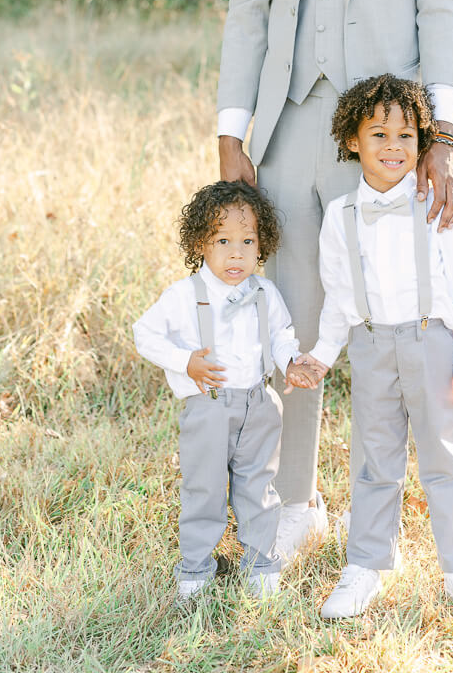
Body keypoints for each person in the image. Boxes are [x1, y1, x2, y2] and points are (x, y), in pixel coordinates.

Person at [217, 0, 453, 559]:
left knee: (396, 318)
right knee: (287, 311)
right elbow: (246, 10)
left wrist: (443, 134)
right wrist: (231, 132)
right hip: (290, 123)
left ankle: (391, 518)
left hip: (390, 140)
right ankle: (293, 503)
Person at [287, 74, 453, 620]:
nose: (392, 146)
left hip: (433, 343)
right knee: (375, 462)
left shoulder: (437, 203)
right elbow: (338, 300)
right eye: (378, 133)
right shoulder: (340, 217)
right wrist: (321, 355)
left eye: (406, 135)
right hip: (371, 347)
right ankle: (365, 568)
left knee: (444, 462)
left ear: (422, 143)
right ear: (352, 140)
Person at [132, 181, 315, 601]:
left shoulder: (265, 293)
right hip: (209, 407)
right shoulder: (185, 296)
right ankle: (195, 568)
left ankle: (260, 563)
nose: (237, 253)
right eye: (224, 240)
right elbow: (145, 334)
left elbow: (281, 335)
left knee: (258, 484)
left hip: (259, 403)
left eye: (248, 241)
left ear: (261, 244)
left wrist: (290, 361)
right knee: (205, 486)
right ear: (201, 242)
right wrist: (186, 361)